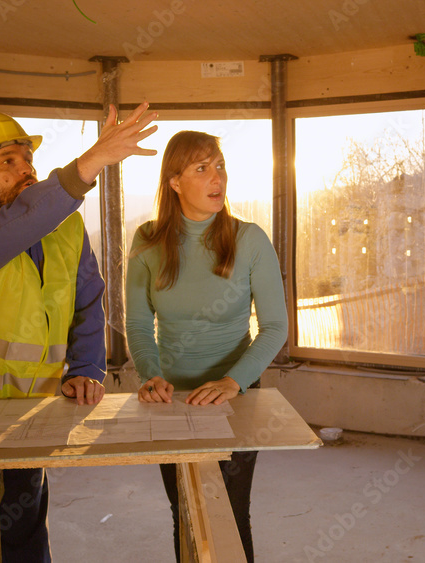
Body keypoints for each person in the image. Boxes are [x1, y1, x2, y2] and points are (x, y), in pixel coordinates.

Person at [0, 102, 157, 563]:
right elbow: (13, 229)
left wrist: (86, 369)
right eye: (7, 161)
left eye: (27, 158)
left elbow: (87, 303)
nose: (24, 169)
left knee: (22, 532)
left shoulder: (66, 228)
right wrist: (87, 166)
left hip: (26, 415)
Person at [125, 130, 288, 562]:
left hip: (235, 399)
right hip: (169, 402)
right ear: (174, 182)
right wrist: (151, 375)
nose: (217, 177)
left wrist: (234, 382)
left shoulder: (249, 238)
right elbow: (139, 324)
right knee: (186, 516)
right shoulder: (147, 241)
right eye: (202, 168)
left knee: (230, 516)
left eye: (220, 165)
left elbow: (275, 327)